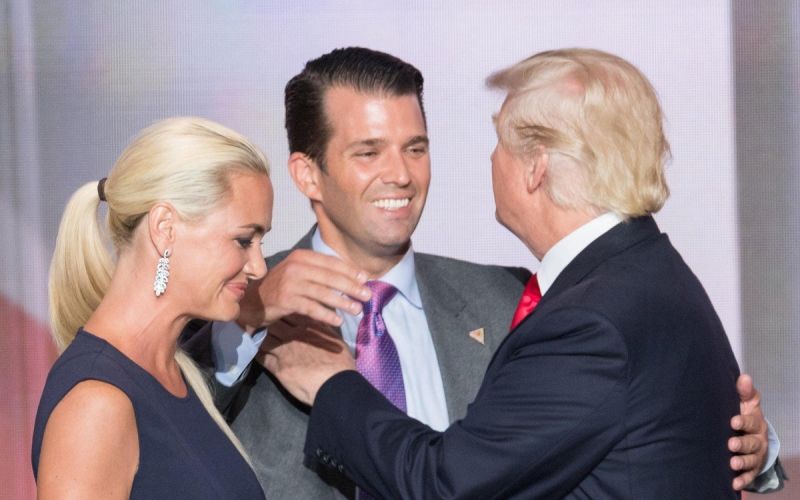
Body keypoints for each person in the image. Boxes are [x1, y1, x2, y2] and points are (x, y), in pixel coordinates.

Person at [182, 48, 779, 497]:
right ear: (307, 174)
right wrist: (248, 316)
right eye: (368, 152)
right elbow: (162, 422)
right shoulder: (235, 301)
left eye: (416, 148)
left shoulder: (518, 300)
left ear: (536, 167)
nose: (401, 174)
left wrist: (747, 443)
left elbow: (468, 474)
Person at [32, 117, 271, 499]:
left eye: (261, 242)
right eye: (244, 240)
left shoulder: (177, 373)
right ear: (164, 228)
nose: (259, 267)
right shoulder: (96, 404)